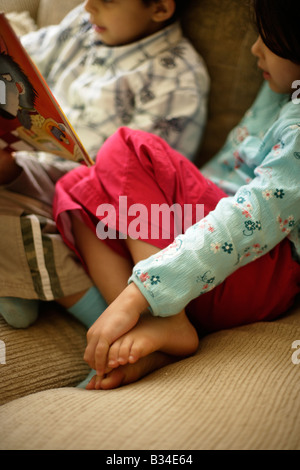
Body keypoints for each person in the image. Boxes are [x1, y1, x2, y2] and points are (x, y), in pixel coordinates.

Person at [53, 0, 300, 390]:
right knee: (77, 188)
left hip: (261, 269)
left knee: (127, 146)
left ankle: (160, 315)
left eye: (268, 42)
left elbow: (253, 217)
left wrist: (145, 291)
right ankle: (137, 338)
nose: (254, 49)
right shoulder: (284, 91)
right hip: (219, 269)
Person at [0, 0, 209, 328]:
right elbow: (19, 60)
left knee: (38, 213)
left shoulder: (177, 80)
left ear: (160, 9)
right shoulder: (82, 25)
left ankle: (27, 278)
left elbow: (140, 191)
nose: (89, 6)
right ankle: (18, 277)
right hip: (29, 166)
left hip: (95, 210)